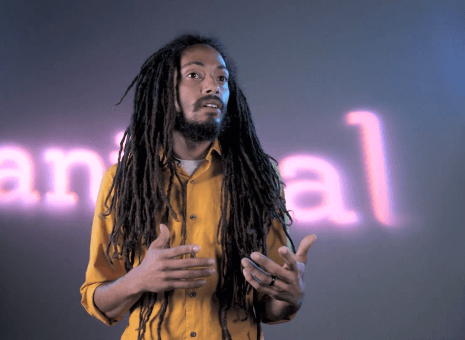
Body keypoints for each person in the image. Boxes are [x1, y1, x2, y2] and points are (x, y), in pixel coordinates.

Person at [80, 34, 316, 340]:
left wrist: (290, 296)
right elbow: (98, 300)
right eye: (195, 75)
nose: (213, 86)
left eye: (222, 78)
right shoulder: (122, 180)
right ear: (165, 91)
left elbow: (268, 307)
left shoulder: (258, 178)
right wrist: (137, 280)